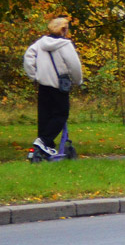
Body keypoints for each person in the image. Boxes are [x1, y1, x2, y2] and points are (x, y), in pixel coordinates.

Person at [23, 17, 83, 159]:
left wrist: (34, 76)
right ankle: (42, 141)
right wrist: (78, 80)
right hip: (59, 86)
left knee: (44, 116)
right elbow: (74, 66)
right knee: (61, 114)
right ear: (63, 29)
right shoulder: (65, 45)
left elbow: (28, 58)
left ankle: (45, 148)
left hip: (43, 85)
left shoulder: (40, 43)